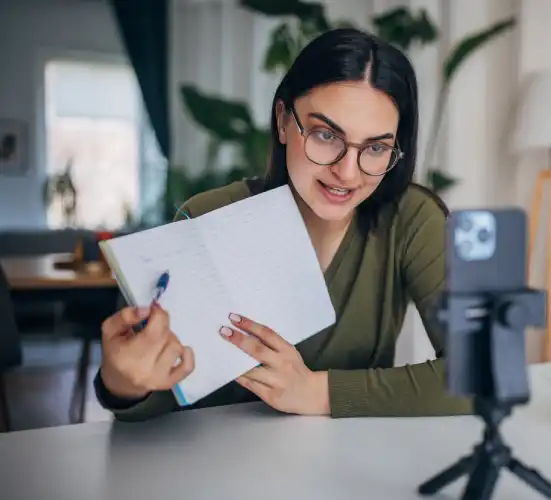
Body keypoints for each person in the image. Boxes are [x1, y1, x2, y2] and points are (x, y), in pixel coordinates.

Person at [94, 28, 473, 422]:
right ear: (282, 121)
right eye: (326, 135)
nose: (346, 172)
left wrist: (318, 392)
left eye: (375, 148)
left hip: (346, 467)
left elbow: (481, 373)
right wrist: (122, 382)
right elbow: (149, 406)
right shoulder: (207, 215)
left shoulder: (410, 220)